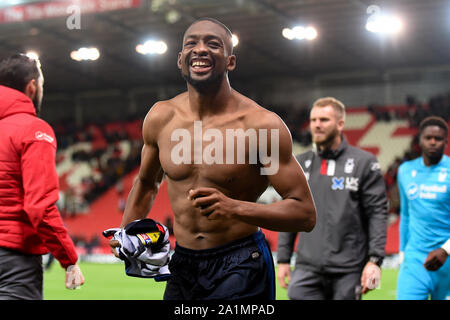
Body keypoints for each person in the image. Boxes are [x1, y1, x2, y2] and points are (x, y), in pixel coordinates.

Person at [109, 17, 316, 300]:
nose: (201, 49)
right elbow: (146, 182)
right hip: (182, 264)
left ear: (230, 61)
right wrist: (126, 233)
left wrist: (234, 207)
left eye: (213, 44)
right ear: (180, 60)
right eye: (192, 43)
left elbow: (304, 213)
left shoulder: (259, 125)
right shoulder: (161, 118)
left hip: (241, 262)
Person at [277, 97, 388, 300]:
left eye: (324, 120)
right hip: (307, 268)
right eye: (313, 120)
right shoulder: (300, 164)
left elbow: (377, 213)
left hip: (348, 269)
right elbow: (290, 212)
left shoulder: (364, 162)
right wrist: (283, 259)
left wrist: (375, 260)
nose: (317, 125)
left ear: (340, 124)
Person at [0, 54, 84, 300]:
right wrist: (69, 259)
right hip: (14, 262)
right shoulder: (34, 130)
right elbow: (40, 207)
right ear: (32, 87)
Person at [397, 116, 449, 300]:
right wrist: (402, 253)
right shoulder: (404, 170)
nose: (433, 142)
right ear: (419, 140)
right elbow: (406, 215)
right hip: (415, 259)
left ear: (446, 141)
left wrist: (446, 250)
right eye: (428, 138)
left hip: (448, 261)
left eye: (438, 138)